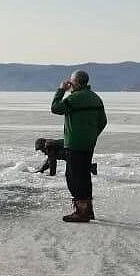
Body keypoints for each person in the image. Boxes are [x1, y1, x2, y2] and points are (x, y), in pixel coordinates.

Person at [50, 70, 107, 222]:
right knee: (84, 176)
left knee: (74, 177)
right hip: (88, 144)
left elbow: (55, 108)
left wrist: (61, 90)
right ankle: (88, 210)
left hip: (74, 144)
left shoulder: (74, 98)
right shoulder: (96, 98)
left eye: (71, 81)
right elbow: (103, 121)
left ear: (75, 82)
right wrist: (91, 135)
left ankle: (81, 211)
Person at [34, 137, 98, 177]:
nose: (42, 152)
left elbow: (52, 162)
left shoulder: (48, 146)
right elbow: (49, 161)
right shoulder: (49, 144)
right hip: (73, 148)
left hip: (71, 150)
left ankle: (91, 167)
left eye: (41, 149)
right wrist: (42, 170)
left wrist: (52, 175)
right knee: (76, 163)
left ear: (43, 146)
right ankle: (91, 167)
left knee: (74, 166)